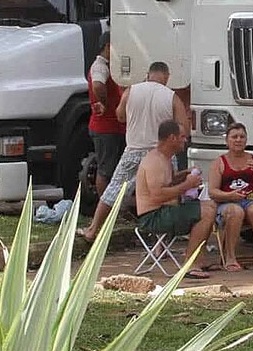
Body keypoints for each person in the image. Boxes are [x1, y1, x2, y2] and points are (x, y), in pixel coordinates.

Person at [79, 62, 188, 243]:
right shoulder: (172, 97)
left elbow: (120, 115)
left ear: (148, 74)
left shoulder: (131, 91)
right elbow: (183, 126)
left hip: (134, 149)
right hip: (161, 154)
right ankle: (162, 243)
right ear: (167, 76)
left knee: (114, 189)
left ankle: (93, 229)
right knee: (166, 192)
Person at [136, 120, 216, 279]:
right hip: (153, 217)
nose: (185, 140)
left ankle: (198, 259)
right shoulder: (154, 161)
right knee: (207, 211)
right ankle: (189, 264)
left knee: (210, 205)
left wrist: (185, 174)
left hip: (165, 211)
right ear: (172, 138)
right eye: (182, 137)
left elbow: (168, 183)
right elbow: (157, 195)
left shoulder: (165, 158)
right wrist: (187, 185)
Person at [207, 123, 253, 272]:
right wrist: (229, 195)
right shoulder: (219, 163)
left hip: (251, 200)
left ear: (246, 140)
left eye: (242, 137)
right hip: (227, 202)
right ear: (227, 141)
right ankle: (230, 258)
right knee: (235, 211)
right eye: (234, 137)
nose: (238, 140)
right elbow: (212, 192)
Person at [88, 32, 125, 196]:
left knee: (113, 168)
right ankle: (106, 206)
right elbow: (97, 85)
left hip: (114, 127)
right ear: (108, 47)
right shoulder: (100, 66)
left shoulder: (110, 67)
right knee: (106, 170)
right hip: (105, 128)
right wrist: (104, 102)